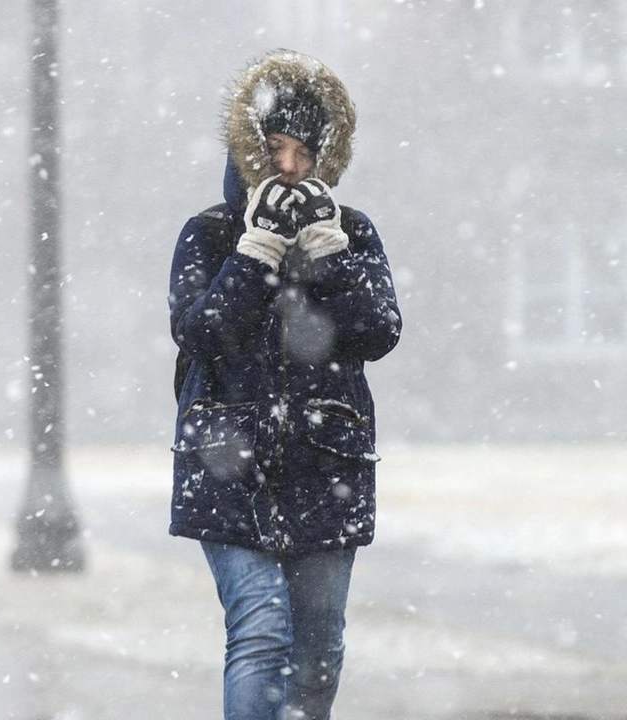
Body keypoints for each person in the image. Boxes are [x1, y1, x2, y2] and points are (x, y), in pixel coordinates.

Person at [168, 50, 401, 720]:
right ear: (251, 148)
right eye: (275, 148)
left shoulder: (353, 233)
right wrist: (257, 252)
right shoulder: (208, 234)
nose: (290, 167)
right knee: (263, 627)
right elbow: (201, 332)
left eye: (304, 151)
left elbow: (378, 331)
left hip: (329, 464)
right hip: (227, 462)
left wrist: (329, 256)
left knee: (319, 648)